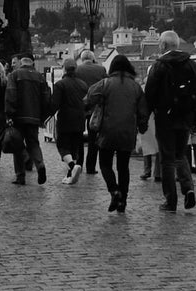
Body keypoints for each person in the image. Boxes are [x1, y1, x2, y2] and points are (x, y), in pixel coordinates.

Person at [143, 31, 196, 211]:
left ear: (162, 46)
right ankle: (188, 189)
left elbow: (150, 95)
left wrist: (144, 119)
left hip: (165, 118)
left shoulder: (159, 66)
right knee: (180, 154)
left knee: (167, 159)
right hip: (185, 117)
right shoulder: (192, 65)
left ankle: (171, 200)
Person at [83, 53, 148, 213]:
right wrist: (142, 126)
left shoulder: (105, 84)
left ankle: (114, 190)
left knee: (105, 164)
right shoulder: (136, 87)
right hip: (127, 132)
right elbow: (143, 111)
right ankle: (123, 201)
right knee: (123, 167)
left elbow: (88, 97)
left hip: (107, 131)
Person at [5, 55, 52, 186]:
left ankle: (20, 176)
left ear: (21, 62)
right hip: (34, 117)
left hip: (18, 117)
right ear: (32, 63)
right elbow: (46, 98)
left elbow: (11, 95)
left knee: (17, 146)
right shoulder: (40, 77)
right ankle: (40, 165)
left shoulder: (14, 75)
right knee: (33, 144)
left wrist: (9, 115)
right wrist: (42, 117)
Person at [49, 58, 90, 184]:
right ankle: (70, 174)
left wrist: (47, 115)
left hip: (65, 119)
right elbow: (87, 103)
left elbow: (54, 104)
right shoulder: (83, 84)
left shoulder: (60, 85)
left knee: (62, 146)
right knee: (74, 147)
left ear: (65, 69)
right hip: (79, 119)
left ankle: (72, 166)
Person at [73, 49, 107, 175]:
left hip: (80, 107)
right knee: (93, 139)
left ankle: (78, 164)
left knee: (78, 137)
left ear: (82, 59)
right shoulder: (101, 70)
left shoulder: (77, 70)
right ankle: (91, 167)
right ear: (93, 59)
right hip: (96, 108)